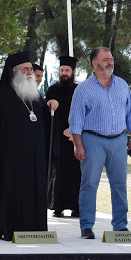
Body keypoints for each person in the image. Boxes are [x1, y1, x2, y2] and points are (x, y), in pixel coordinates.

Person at [0, 51, 52, 241]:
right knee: (13, 192)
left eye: (31, 69)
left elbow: (43, 120)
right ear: (14, 71)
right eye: (26, 69)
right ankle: (9, 227)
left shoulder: (35, 95)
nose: (30, 72)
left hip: (35, 157)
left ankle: (35, 229)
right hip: (10, 158)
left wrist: (51, 106)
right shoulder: (1, 96)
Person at [69, 47, 131, 239]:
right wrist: (78, 145)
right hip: (92, 140)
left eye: (111, 59)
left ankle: (120, 225)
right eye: (105, 59)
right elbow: (75, 121)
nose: (110, 62)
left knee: (119, 185)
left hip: (118, 140)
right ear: (94, 63)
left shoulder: (123, 85)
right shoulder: (83, 89)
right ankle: (87, 226)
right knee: (89, 184)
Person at [45, 56, 80, 218]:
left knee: (75, 172)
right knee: (57, 172)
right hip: (58, 137)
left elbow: (83, 112)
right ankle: (57, 206)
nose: (64, 73)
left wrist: (73, 129)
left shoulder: (79, 90)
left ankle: (75, 206)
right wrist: (63, 129)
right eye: (62, 70)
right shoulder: (53, 91)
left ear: (73, 72)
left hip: (76, 137)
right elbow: (49, 114)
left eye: (67, 70)